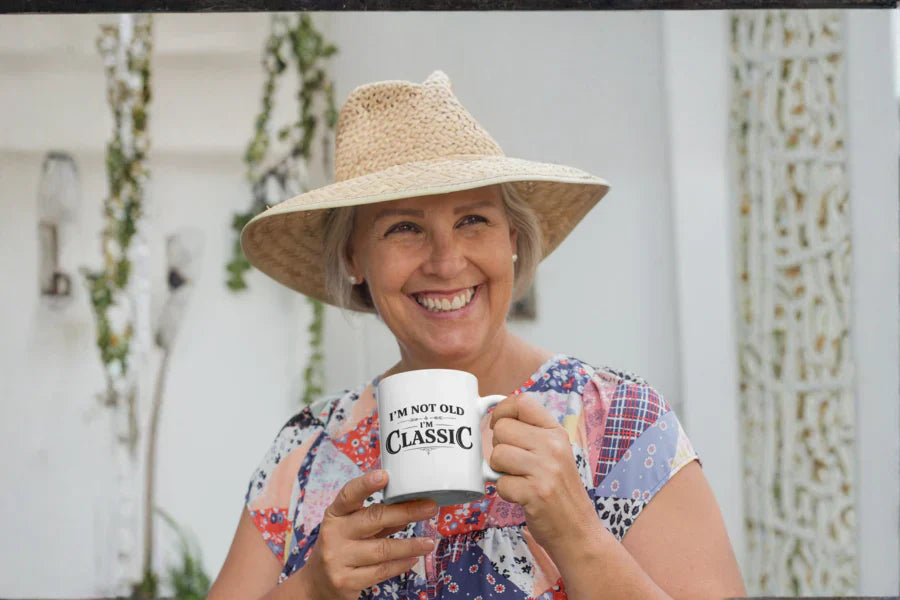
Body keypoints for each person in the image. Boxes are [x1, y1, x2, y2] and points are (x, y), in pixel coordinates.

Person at [208, 70, 745, 600]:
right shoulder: (307, 451)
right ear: (354, 258)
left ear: (511, 238)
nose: (446, 262)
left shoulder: (619, 424)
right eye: (404, 228)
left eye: (473, 220)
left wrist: (578, 534)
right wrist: (313, 589)